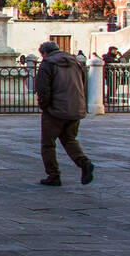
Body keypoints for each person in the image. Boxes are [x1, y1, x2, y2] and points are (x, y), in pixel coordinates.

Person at [33, 42, 95, 187]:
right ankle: (84, 163)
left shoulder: (47, 64)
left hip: (55, 110)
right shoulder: (75, 62)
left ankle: (53, 176)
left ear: (45, 53)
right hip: (76, 108)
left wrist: (45, 106)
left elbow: (42, 88)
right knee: (69, 139)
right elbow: (83, 82)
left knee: (48, 144)